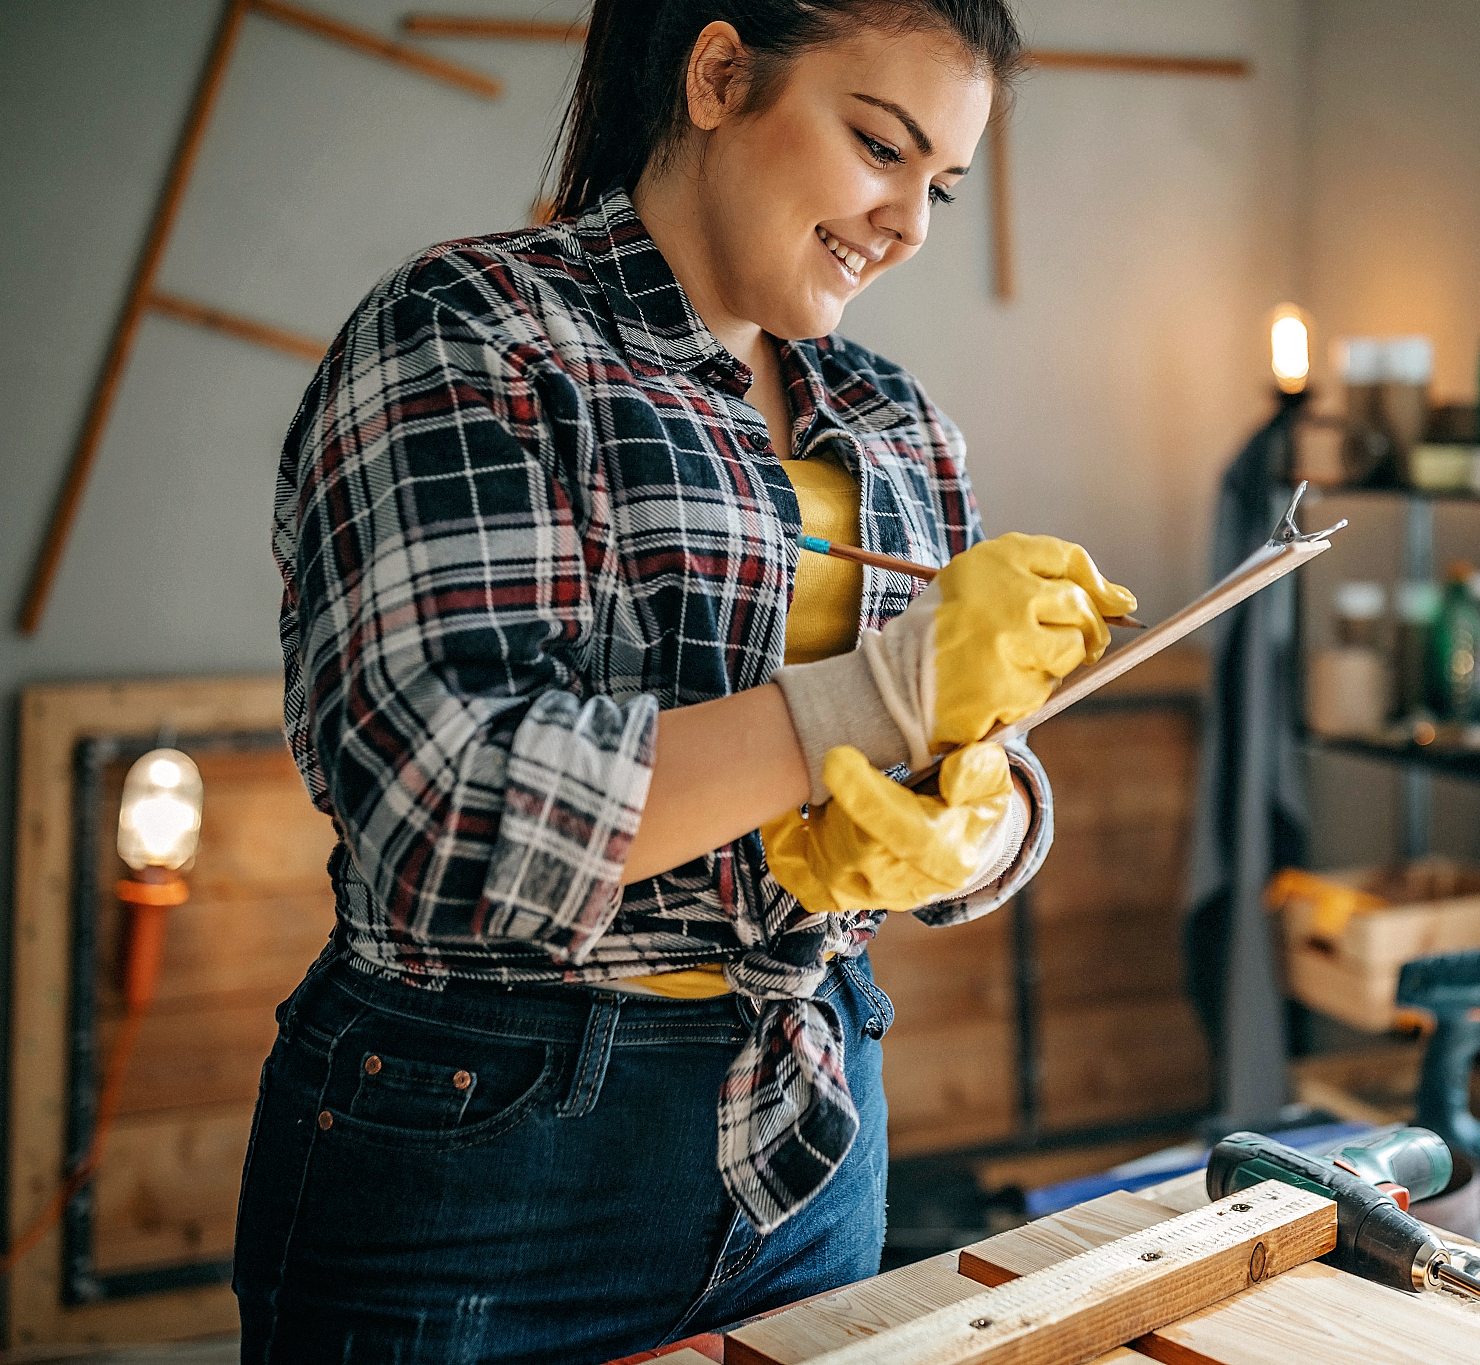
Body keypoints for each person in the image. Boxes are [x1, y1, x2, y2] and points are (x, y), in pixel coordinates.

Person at [233, 2, 1135, 1360]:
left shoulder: (895, 424)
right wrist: (872, 706)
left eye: (941, 185)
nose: (910, 226)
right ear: (719, 76)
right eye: (880, 147)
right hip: (481, 1136)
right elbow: (451, 815)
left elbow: (969, 754)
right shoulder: (477, 330)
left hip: (810, 1118)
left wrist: (980, 817)